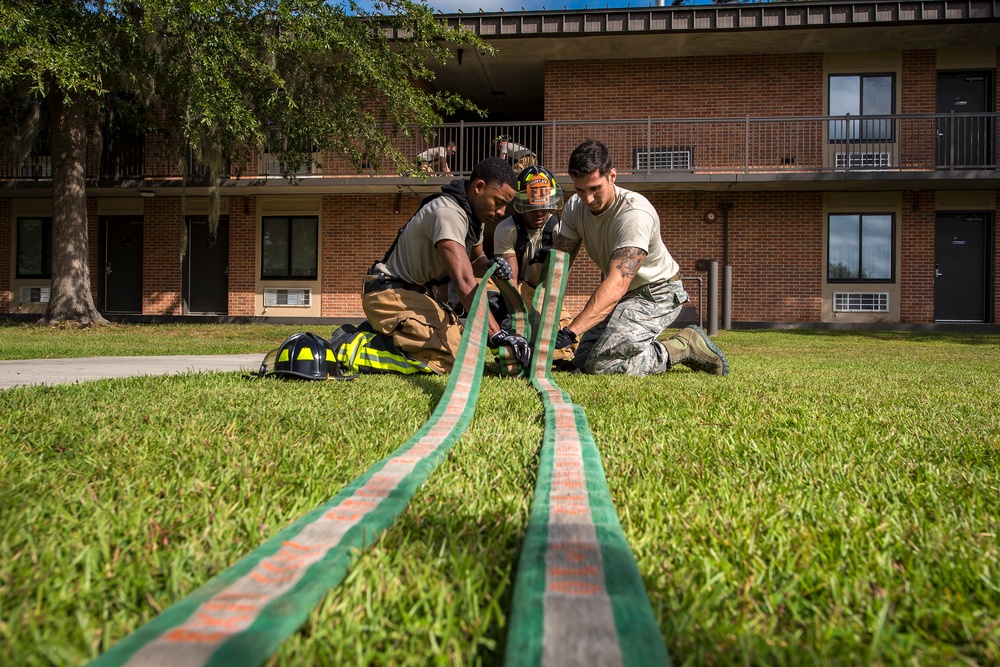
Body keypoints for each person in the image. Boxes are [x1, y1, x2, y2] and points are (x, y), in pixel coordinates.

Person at [329, 157, 530, 375]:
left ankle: (389, 334)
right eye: (499, 202)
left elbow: (475, 261)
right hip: (390, 293)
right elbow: (463, 280)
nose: (501, 212)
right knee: (452, 360)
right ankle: (351, 347)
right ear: (479, 187)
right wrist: (496, 334)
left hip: (417, 296)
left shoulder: (474, 217)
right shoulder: (447, 213)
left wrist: (492, 265)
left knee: (471, 352)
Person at [550, 139, 729, 376]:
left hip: (657, 293)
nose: (588, 199)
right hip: (625, 295)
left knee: (603, 365)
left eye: (595, 188)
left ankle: (684, 346)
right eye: (580, 190)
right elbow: (558, 265)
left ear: (612, 176)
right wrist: (541, 317)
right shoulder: (574, 207)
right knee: (582, 360)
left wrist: (570, 332)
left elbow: (616, 284)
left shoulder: (634, 214)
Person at [490, 165, 576, 362]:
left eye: (544, 206)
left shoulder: (560, 229)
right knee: (516, 343)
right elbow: (510, 278)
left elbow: (559, 282)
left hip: (547, 292)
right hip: (519, 291)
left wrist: (555, 257)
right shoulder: (506, 229)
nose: (539, 212)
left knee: (560, 350)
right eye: (532, 206)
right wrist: (514, 319)